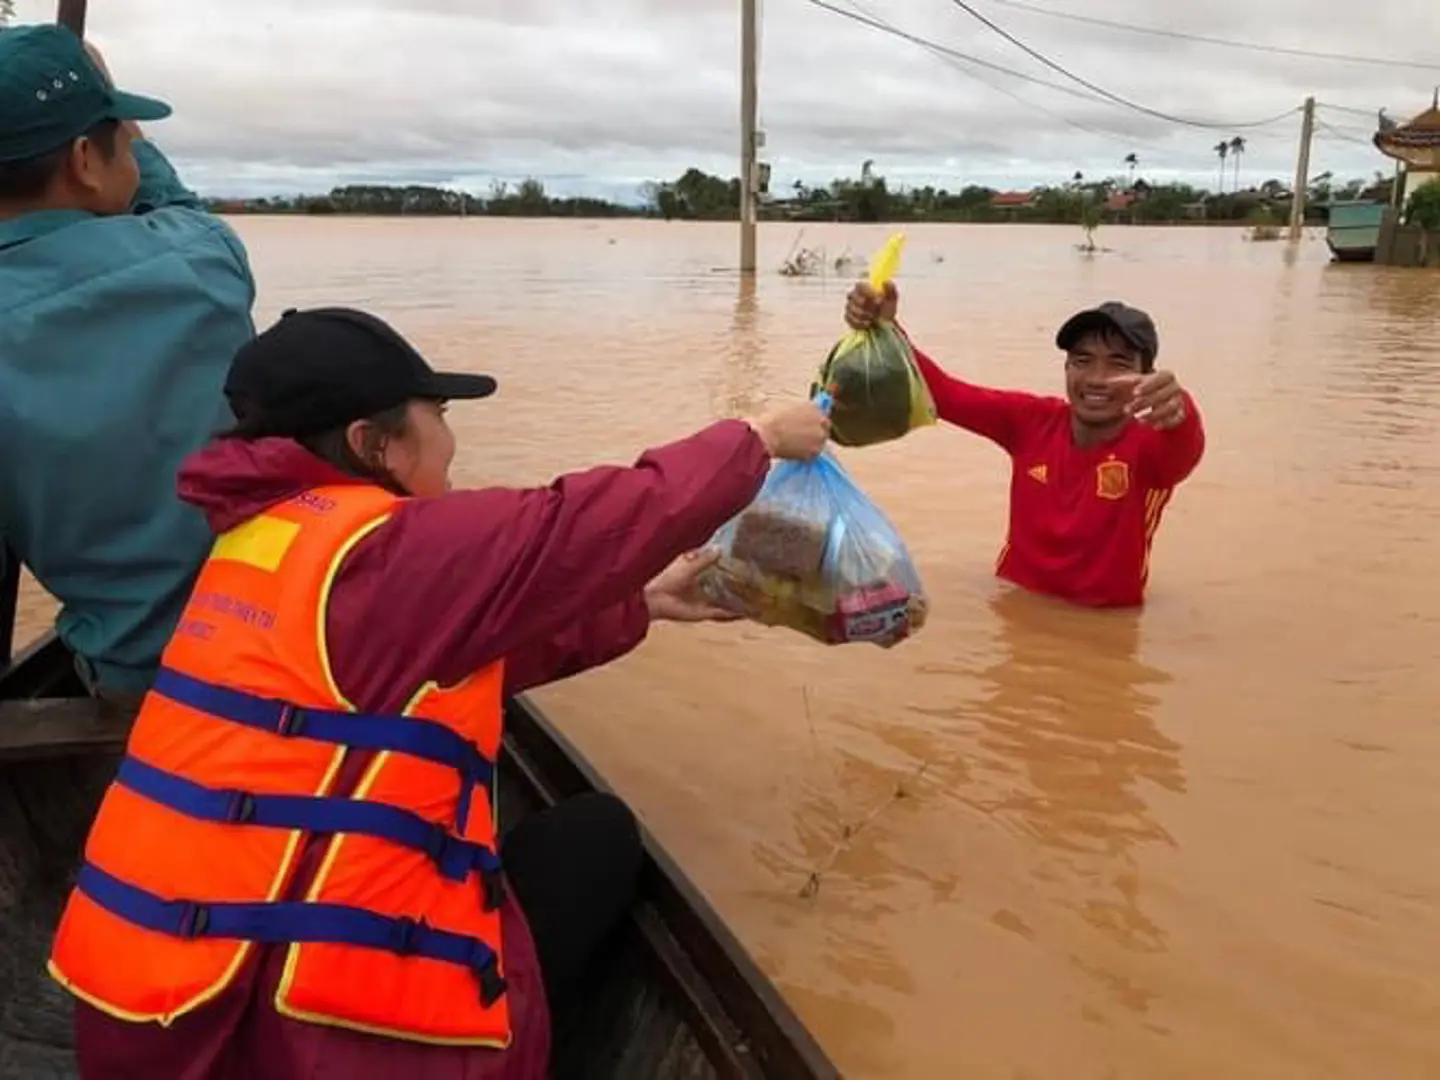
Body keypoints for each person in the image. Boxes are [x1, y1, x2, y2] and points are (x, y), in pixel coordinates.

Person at [46, 305, 830, 1080]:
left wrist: (644, 603)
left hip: (148, 1030)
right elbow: (585, 523)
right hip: (305, 1045)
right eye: (439, 415)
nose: (453, 440)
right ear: (373, 443)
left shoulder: (264, 543)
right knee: (595, 841)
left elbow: (429, 666)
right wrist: (755, 440)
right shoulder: (387, 547)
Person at [0, 26, 256, 704]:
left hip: (134, 680)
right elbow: (171, 201)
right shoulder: (205, 258)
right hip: (272, 647)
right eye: (123, 131)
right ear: (86, 158)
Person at [845, 283, 1204, 608]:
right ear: (1066, 368)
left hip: (1105, 622)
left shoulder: (1153, 446)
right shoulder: (1031, 420)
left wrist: (1181, 407)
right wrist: (887, 329)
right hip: (1015, 605)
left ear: (1148, 376)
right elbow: (943, 394)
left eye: (1118, 364)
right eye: (1082, 361)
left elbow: (1185, 446)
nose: (1097, 379)